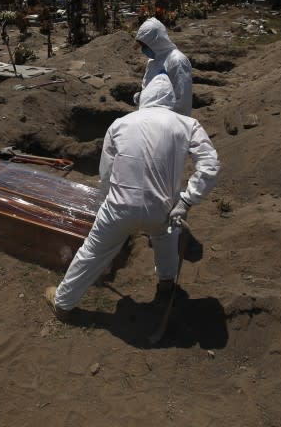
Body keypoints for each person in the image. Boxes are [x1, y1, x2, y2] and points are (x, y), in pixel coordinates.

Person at [45, 74, 220, 320]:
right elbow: (210, 165)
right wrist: (187, 201)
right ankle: (166, 284)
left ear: (145, 96)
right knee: (167, 238)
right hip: (163, 208)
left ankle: (63, 304)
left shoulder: (120, 124)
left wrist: (105, 200)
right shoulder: (187, 124)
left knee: (92, 252)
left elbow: (106, 172)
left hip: (119, 208)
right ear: (170, 99)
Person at [133, 17, 192, 116]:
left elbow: (182, 102)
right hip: (150, 119)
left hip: (168, 122)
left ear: (156, 42)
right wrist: (142, 97)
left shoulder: (177, 61)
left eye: (145, 46)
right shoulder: (153, 60)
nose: (143, 50)